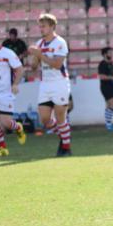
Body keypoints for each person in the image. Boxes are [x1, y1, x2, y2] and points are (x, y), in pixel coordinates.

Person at [28, 14, 72, 157]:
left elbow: (57, 65)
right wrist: (33, 56)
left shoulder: (60, 42)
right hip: (45, 84)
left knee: (60, 118)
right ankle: (64, 138)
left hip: (59, 83)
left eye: (44, 26)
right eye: (40, 26)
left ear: (52, 26)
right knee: (45, 119)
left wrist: (40, 55)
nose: (41, 29)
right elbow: (34, 67)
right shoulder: (39, 44)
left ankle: (66, 148)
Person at [98, 47, 113, 131]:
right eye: (109, 52)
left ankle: (108, 124)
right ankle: (108, 124)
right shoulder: (102, 64)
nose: (111, 54)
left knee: (109, 105)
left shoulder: (110, 63)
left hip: (111, 86)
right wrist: (111, 78)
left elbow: (112, 75)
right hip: (105, 86)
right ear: (105, 54)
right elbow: (101, 76)